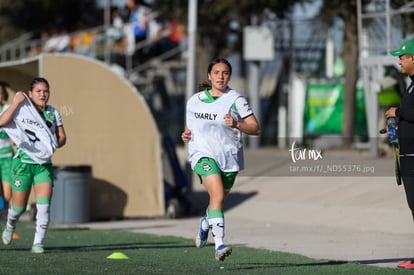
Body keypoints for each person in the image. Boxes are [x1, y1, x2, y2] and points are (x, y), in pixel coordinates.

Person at [181, 58, 260, 261]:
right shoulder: (195, 100)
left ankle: (205, 223)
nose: (220, 76)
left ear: (229, 76)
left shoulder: (236, 100)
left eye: (225, 73)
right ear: (209, 76)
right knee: (216, 196)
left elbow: (255, 128)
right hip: (202, 154)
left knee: (218, 201)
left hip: (229, 158)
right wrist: (186, 135)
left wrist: (236, 124)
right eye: (216, 72)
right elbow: (191, 129)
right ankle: (219, 245)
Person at [0, 77, 66, 253]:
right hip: (23, 164)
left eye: (46, 91)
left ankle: (38, 243)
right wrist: (17, 102)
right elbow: (2, 122)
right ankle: (10, 225)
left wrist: (56, 144)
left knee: (44, 206)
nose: (42, 94)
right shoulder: (23, 109)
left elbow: (62, 137)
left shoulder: (53, 112)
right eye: (38, 91)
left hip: (43, 166)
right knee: (18, 207)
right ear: (30, 93)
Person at [386, 39, 414, 269]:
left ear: (413, 58)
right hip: (407, 155)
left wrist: (399, 111)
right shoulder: (411, 84)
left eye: (402, 57)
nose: (399, 61)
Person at [0, 81, 14, 211]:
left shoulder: (8, 109)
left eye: (0, 93)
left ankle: (4, 217)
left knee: (7, 194)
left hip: (6, 156)